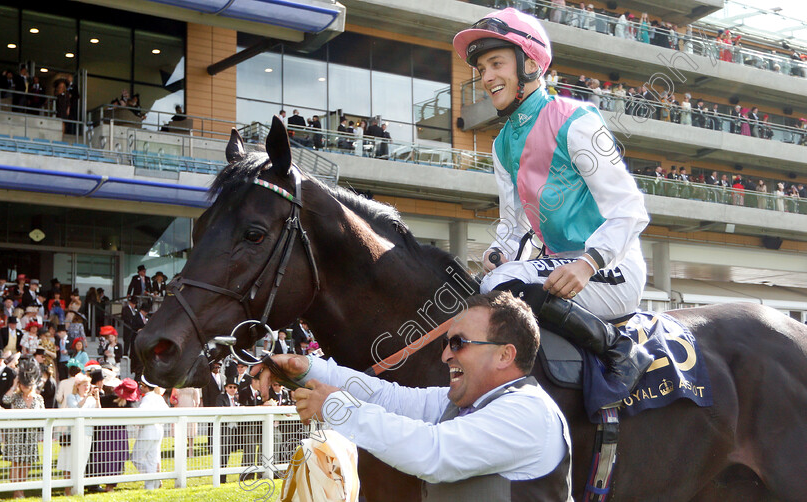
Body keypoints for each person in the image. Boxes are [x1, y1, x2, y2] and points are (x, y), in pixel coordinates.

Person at [452, 8, 653, 401]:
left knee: (501, 284)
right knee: (484, 283)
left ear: (530, 63)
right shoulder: (502, 144)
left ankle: (618, 348)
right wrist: (498, 252)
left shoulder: (576, 120)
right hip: (561, 267)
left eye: (496, 63)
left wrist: (589, 261)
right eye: (481, 69)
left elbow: (631, 208)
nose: (486, 77)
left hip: (612, 267)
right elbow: (511, 225)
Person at [254, 291, 572, 500]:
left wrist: (337, 408)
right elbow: (392, 398)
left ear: (505, 355)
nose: (446, 355)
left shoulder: (527, 412)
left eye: (459, 343)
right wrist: (308, 369)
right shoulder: (470, 403)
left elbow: (431, 452)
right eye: (446, 343)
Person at [2, 357, 45, 499]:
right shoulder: (16, 396)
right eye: (22, 385)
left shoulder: (38, 398)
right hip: (16, 434)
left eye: (26, 385)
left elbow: (43, 414)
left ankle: (22, 489)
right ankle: (16, 491)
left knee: (26, 463)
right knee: (16, 463)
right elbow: (5, 400)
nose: (24, 387)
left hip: (30, 435)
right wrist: (14, 385)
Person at [57, 372, 100, 496]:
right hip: (73, 434)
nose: (87, 387)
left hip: (87, 433)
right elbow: (75, 409)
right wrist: (86, 398)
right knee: (69, 461)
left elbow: (98, 412)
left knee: (82, 461)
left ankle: (77, 489)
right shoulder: (71, 396)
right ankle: (67, 490)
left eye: (88, 385)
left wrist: (96, 399)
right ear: (78, 386)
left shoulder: (91, 399)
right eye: (84, 385)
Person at [132, 376, 167, 490]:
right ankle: (151, 486)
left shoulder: (147, 398)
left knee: (136, 458)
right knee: (152, 459)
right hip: (158, 430)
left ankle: (152, 479)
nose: (140, 388)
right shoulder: (158, 398)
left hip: (148, 431)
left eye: (141, 385)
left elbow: (141, 414)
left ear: (145, 386)